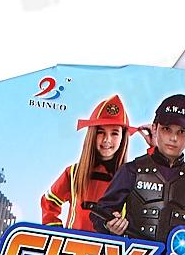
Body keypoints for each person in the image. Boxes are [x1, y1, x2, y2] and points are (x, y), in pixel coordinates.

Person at [89, 93, 185, 244]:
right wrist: (109, 224)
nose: (173, 138)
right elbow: (100, 213)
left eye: (182, 132)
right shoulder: (131, 170)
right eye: (166, 129)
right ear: (154, 128)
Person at [40, 95, 132, 233]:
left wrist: (154, 147)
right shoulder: (73, 173)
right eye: (101, 132)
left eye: (114, 133)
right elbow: (49, 201)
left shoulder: (129, 178)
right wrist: (56, 233)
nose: (107, 140)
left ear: (123, 137)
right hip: (73, 244)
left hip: (109, 246)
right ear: (92, 134)